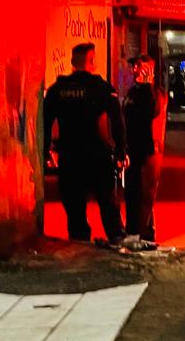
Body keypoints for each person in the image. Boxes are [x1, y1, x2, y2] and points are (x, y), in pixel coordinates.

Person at [43, 42, 126, 243]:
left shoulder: (57, 90)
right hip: (98, 157)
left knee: (75, 211)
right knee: (108, 206)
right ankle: (117, 243)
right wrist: (121, 152)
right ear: (91, 61)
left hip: (70, 157)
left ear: (73, 62)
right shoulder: (101, 88)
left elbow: (44, 124)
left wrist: (45, 152)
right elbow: (118, 121)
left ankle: (80, 245)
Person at [123, 55, 161, 248]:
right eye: (134, 66)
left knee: (142, 195)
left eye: (139, 66)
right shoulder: (133, 91)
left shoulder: (154, 93)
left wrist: (147, 85)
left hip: (146, 152)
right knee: (131, 193)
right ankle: (134, 231)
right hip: (131, 149)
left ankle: (142, 234)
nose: (134, 70)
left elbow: (151, 112)